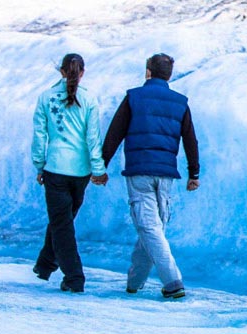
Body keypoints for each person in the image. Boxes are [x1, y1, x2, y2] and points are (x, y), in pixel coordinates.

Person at [102, 53, 200, 299]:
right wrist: (193, 173)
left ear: (148, 72)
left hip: (139, 173)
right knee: (152, 228)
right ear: (169, 75)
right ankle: (135, 281)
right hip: (165, 175)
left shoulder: (134, 97)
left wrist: (100, 165)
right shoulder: (180, 102)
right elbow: (190, 139)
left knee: (149, 227)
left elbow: (115, 133)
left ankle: (173, 281)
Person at [31, 53, 109, 293]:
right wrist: (98, 169)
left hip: (55, 168)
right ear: (82, 72)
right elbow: (93, 138)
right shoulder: (89, 99)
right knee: (62, 220)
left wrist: (39, 165)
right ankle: (47, 265)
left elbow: (40, 135)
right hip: (81, 172)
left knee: (61, 223)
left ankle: (73, 277)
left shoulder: (45, 97)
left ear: (61, 71)